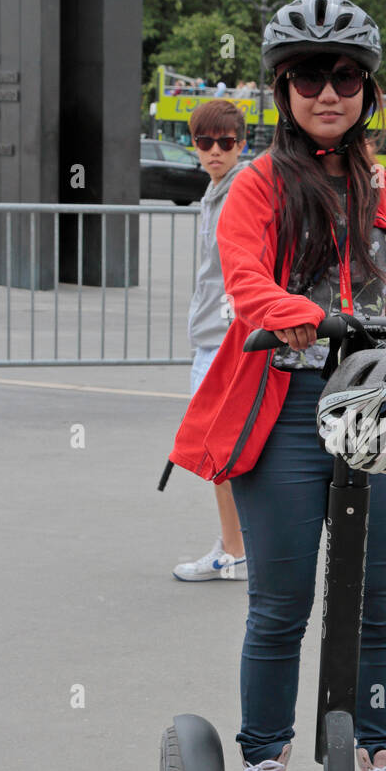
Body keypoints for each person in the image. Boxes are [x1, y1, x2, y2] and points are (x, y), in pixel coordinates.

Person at [164, 0, 386, 771]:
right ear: (282, 88)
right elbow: (246, 283)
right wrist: (303, 315)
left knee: (379, 610)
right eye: (306, 77)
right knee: (279, 609)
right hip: (285, 412)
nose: (325, 92)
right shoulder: (256, 184)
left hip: (375, 410)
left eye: (343, 76)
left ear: (367, 89)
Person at [172, 100, 249, 582]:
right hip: (213, 335)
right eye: (204, 142)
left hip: (227, 338)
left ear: (240, 144)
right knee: (224, 450)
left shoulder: (241, 186)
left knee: (220, 450)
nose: (215, 151)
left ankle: (236, 551)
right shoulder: (215, 189)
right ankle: (239, 548)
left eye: (225, 142)